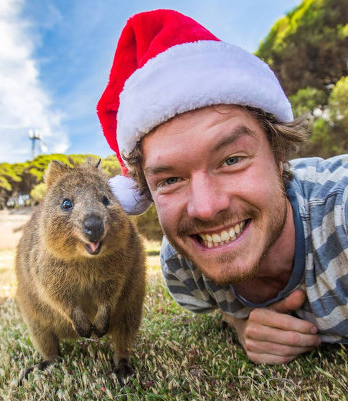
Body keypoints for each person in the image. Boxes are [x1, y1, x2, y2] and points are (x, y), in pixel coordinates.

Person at [97, 9, 348, 364]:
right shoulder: (183, 270)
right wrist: (239, 322)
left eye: (232, 160)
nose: (206, 208)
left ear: (278, 155)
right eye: (170, 180)